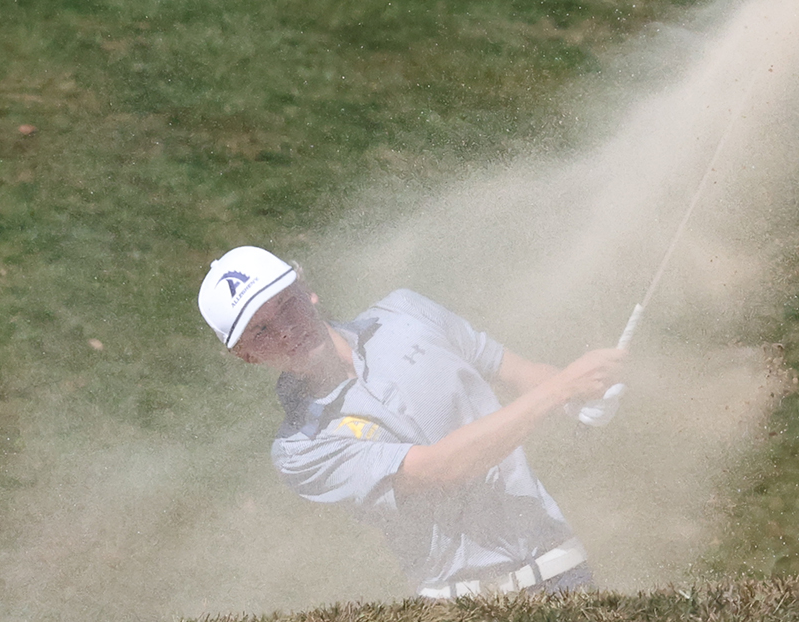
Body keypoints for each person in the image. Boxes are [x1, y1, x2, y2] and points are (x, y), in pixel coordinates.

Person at [197, 245, 625, 599]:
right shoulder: (299, 450)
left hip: (567, 569)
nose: (286, 332)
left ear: (307, 290)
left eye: (286, 306)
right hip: (464, 609)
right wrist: (560, 392)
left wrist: (583, 393)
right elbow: (440, 468)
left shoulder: (407, 312)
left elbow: (520, 373)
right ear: (245, 355)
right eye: (262, 330)